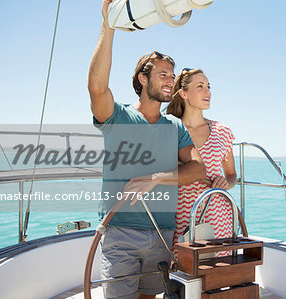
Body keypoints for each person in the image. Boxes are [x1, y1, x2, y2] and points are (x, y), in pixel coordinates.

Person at [87, 1, 206, 298]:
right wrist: (108, 26)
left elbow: (198, 168)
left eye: (172, 74)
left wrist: (155, 177)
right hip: (121, 231)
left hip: (163, 234)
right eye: (163, 74)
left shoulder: (174, 127)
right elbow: (97, 89)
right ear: (143, 79)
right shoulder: (119, 117)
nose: (170, 80)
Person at [166, 68, 237, 257]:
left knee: (218, 276)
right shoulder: (171, 130)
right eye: (200, 86)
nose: (208, 92)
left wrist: (225, 183)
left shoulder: (222, 131)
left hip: (219, 217)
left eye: (208, 87)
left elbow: (231, 175)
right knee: (185, 275)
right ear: (183, 93)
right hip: (182, 217)